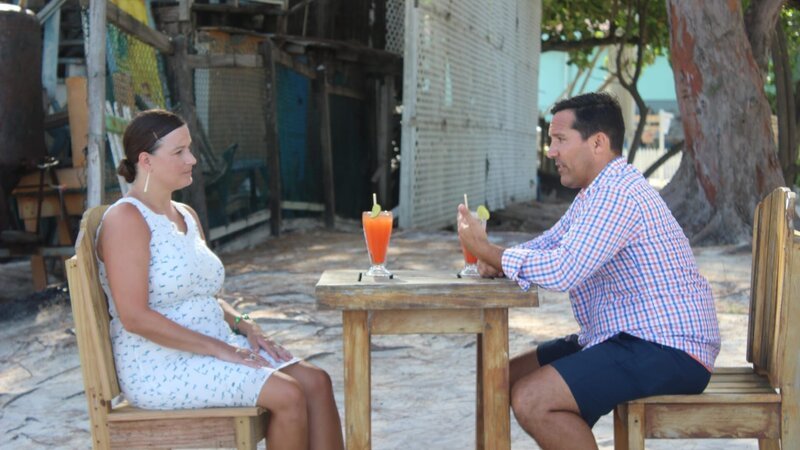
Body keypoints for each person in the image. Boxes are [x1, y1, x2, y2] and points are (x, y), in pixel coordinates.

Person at [457, 92, 720, 449]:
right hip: (624, 336)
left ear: (598, 143)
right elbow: (551, 244)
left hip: (668, 348)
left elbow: (563, 269)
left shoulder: (617, 193)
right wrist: (497, 260)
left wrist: (488, 251)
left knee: (534, 399)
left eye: (560, 140)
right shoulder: (594, 194)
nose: (551, 152)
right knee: (499, 377)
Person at [96, 109, 344, 450]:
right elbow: (134, 317)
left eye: (190, 149)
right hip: (161, 365)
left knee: (316, 381)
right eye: (179, 152)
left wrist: (244, 325)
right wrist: (221, 348)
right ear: (146, 161)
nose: (193, 159)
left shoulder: (186, 214)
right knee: (288, 394)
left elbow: (205, 295)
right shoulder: (126, 219)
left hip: (213, 346)